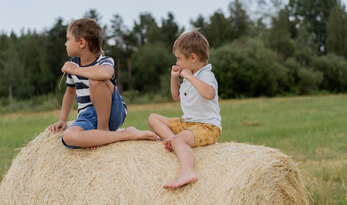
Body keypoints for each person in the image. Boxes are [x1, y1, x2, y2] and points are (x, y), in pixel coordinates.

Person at [48, 18, 156, 149]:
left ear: (81, 42)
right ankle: (125, 134)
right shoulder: (74, 63)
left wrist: (76, 70)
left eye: (68, 39)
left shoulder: (104, 61)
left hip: (112, 111)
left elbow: (106, 74)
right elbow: (70, 92)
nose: (65, 43)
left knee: (96, 79)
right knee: (68, 137)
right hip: (87, 116)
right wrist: (63, 120)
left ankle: (103, 130)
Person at [148, 28, 221, 189]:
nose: (177, 63)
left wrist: (189, 76)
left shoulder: (205, 75)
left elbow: (209, 93)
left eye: (179, 58)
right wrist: (175, 78)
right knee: (153, 117)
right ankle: (173, 140)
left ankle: (187, 171)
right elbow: (177, 96)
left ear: (193, 57)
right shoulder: (190, 74)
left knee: (180, 139)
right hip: (187, 125)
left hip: (207, 127)